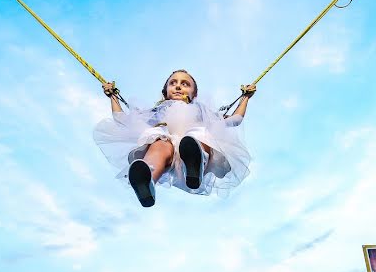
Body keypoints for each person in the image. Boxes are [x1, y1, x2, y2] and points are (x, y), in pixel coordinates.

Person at [94, 70, 256, 207]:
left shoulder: (202, 110)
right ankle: (147, 177)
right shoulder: (156, 111)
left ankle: (195, 164)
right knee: (159, 143)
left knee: (199, 134)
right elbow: (121, 118)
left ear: (194, 93)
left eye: (185, 84)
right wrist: (113, 96)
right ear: (165, 91)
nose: (178, 86)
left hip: (193, 142)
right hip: (168, 142)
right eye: (173, 83)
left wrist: (245, 98)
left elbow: (235, 119)